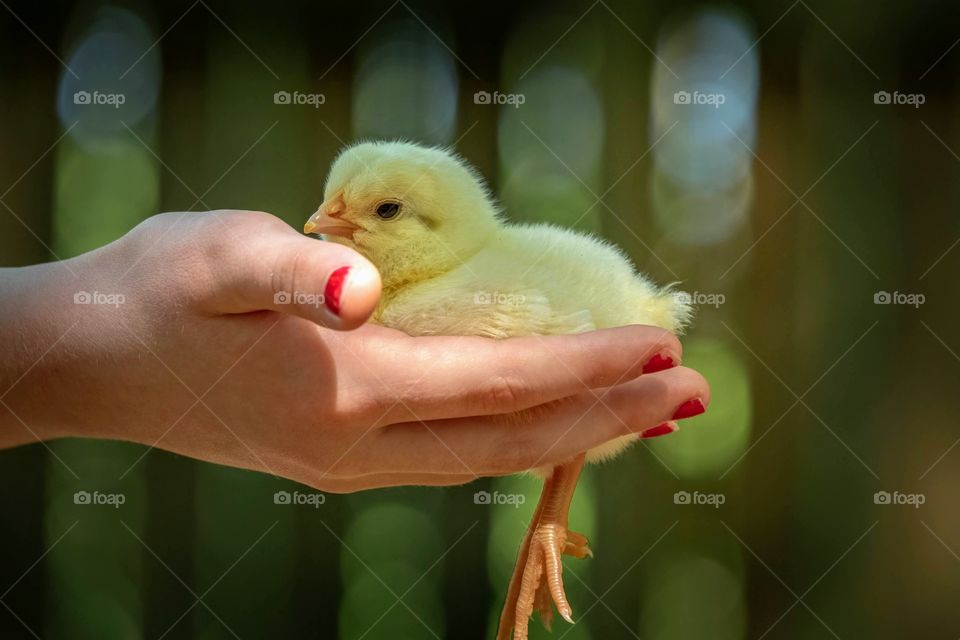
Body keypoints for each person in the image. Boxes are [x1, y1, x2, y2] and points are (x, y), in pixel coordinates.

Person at [0, 210, 710, 492]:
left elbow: (582, 314)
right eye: (335, 207)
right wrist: (107, 350)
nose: (325, 221)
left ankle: (553, 517)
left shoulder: (468, 279)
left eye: (381, 210)